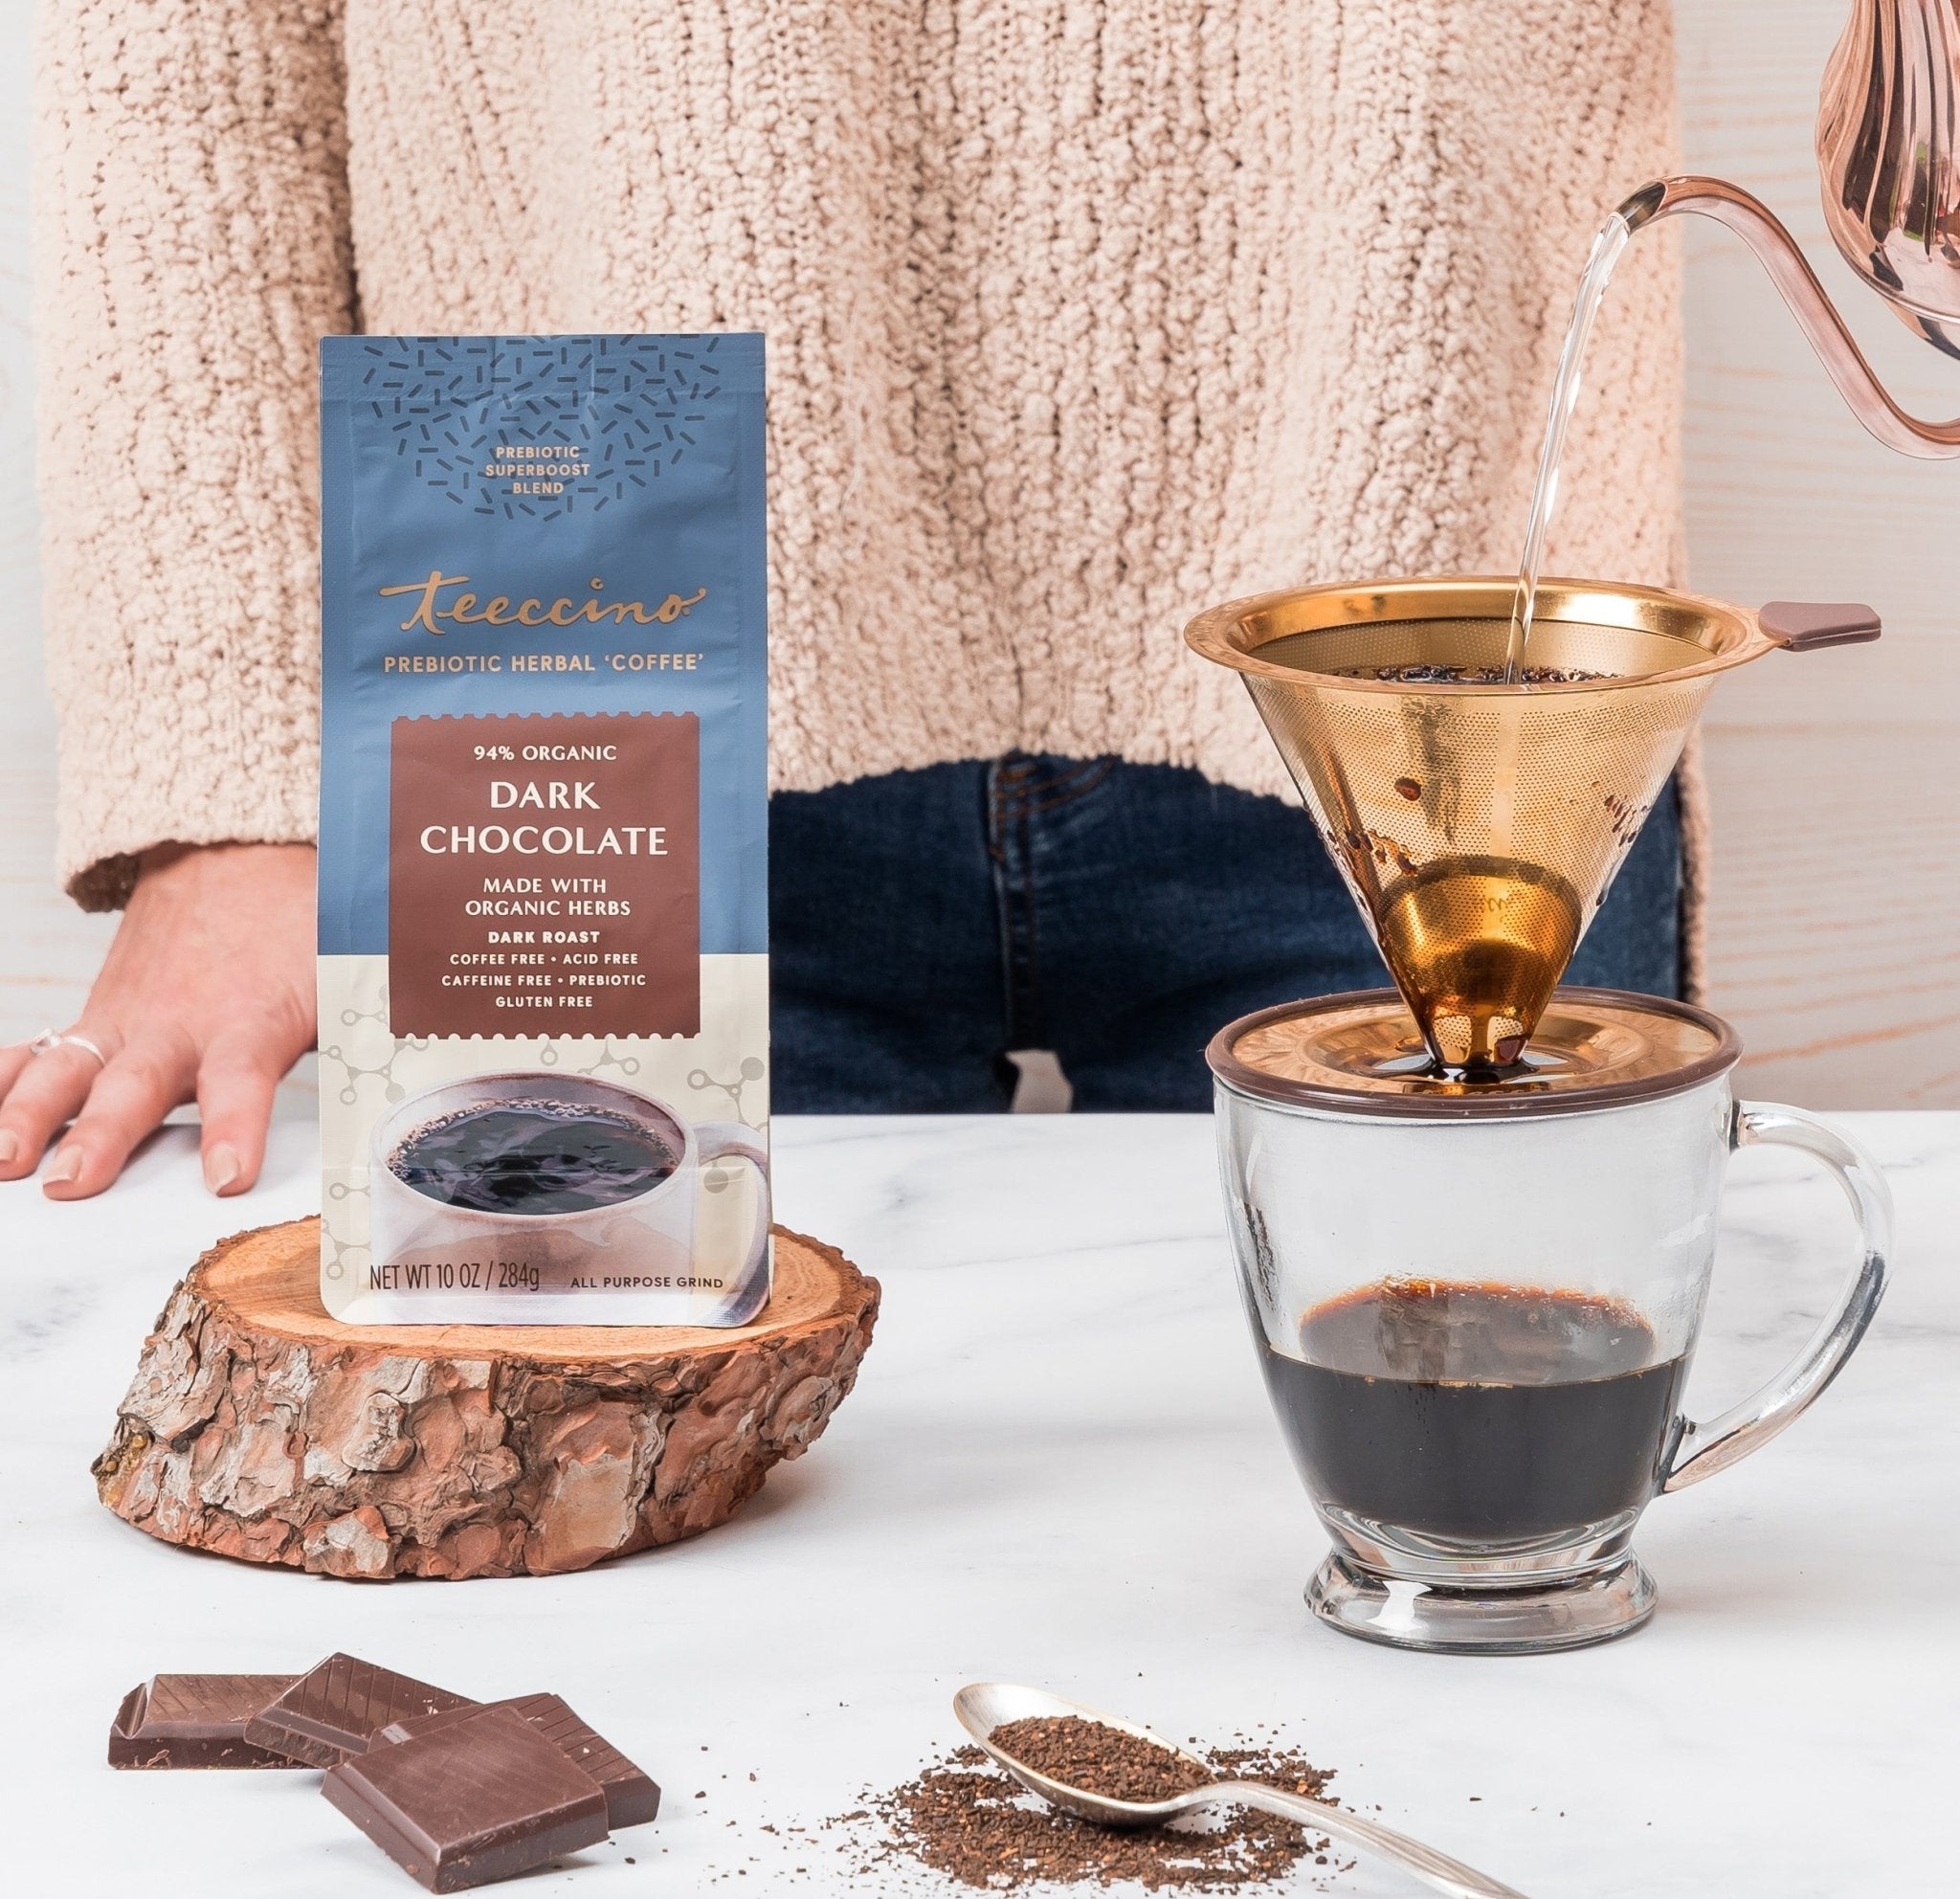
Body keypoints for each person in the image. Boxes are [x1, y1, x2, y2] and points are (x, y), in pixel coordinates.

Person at [5, 0, 1694, 1200]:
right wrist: (225, 778)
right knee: (571, 1531)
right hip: (589, 655)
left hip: (1417, 614)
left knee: (1498, 1541)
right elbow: (176, 61)